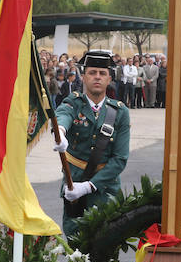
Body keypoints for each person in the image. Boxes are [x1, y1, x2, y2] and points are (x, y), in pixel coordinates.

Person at [52, 51, 130, 237]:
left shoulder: (120, 112)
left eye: (102, 73)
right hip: (74, 184)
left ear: (109, 78)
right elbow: (63, 115)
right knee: (76, 246)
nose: (97, 77)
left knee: (106, 246)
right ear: (84, 76)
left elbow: (120, 159)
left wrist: (89, 186)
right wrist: (60, 132)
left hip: (106, 190)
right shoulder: (74, 102)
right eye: (92, 72)